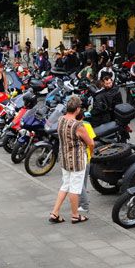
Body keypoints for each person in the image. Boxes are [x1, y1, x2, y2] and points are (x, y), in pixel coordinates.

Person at [49, 96, 94, 224]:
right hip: (77, 160)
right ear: (78, 109)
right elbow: (90, 143)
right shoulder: (78, 125)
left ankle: (55, 212)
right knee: (75, 188)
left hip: (64, 158)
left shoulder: (61, 119)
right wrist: (91, 153)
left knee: (65, 185)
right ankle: (75, 215)